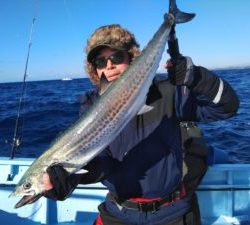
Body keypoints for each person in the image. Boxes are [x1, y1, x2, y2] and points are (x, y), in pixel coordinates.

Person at [43, 24, 239, 225]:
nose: (109, 66)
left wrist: (197, 78)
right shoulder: (92, 106)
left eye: (116, 57)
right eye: (100, 61)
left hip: (171, 213)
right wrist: (72, 178)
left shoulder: (167, 92)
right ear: (95, 69)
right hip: (118, 212)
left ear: (132, 58)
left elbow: (226, 107)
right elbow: (103, 162)